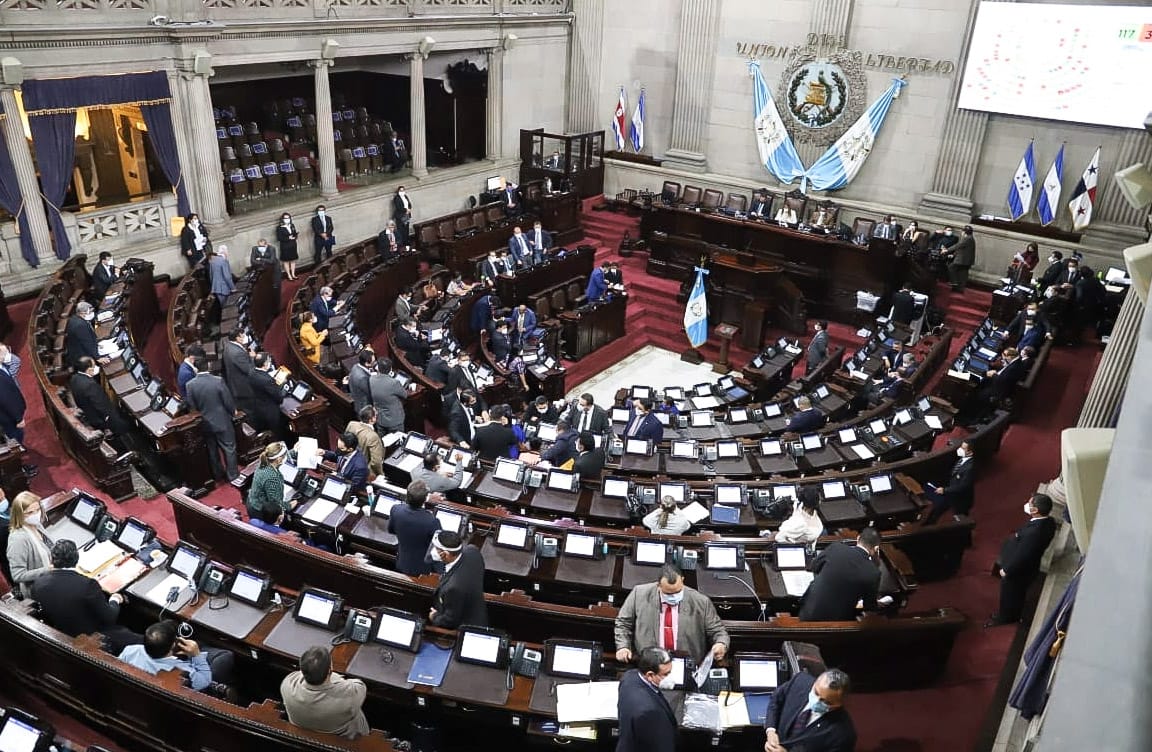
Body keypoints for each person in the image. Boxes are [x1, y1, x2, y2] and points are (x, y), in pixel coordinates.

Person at [32, 539, 141, 653]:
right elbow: (109, 617)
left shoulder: (39, 582)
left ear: (51, 559)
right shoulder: (87, 585)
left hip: (64, 634)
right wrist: (115, 600)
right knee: (145, 641)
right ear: (76, 559)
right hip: (96, 638)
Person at [615, 564, 729, 664]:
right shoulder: (639, 594)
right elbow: (623, 623)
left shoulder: (701, 601)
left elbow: (718, 631)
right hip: (650, 665)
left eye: (678, 592)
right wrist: (623, 647)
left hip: (687, 665)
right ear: (658, 586)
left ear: (682, 580)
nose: (674, 596)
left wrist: (721, 644)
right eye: (668, 593)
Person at [987, 493, 1058, 627]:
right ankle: (1012, 614)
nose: (1027, 505)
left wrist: (1007, 570)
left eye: (1030, 504)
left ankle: (1005, 618)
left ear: (1035, 510)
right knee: (1017, 594)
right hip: (1027, 567)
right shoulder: (1048, 522)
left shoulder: (1034, 533)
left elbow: (1024, 554)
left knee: (1010, 595)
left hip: (1018, 571)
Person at [118, 620, 235, 695]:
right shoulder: (185, 673)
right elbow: (205, 682)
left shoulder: (130, 650)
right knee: (224, 656)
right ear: (174, 645)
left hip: (134, 694)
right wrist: (196, 655)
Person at [798, 529, 892, 621]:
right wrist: (875, 563)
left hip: (808, 611)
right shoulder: (873, 572)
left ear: (858, 538)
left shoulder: (836, 548)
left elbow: (814, 566)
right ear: (876, 549)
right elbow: (869, 606)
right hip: (837, 622)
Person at [281, 646, 370, 740]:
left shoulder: (288, 683)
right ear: (329, 670)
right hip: (343, 740)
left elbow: (298, 675)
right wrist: (336, 678)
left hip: (302, 734)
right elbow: (360, 685)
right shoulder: (349, 695)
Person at [763, 668, 857, 752]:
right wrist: (771, 731)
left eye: (825, 701)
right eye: (816, 692)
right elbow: (776, 699)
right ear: (816, 682)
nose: (816, 700)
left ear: (839, 704)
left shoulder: (843, 735)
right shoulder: (800, 681)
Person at [184, 356, 239, 482]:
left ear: (196, 369)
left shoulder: (190, 385)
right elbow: (227, 400)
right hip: (222, 421)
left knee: (212, 450)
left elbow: (192, 407)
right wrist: (233, 411)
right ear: (208, 366)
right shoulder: (218, 381)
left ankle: (218, 475)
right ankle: (233, 476)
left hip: (205, 423)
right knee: (229, 448)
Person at [616, 647, 678, 752]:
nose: (671, 678)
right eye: (666, 674)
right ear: (650, 675)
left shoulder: (629, 677)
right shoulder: (649, 711)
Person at [429, 530, 488, 628]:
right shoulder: (473, 551)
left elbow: (450, 621)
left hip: (467, 626)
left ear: (445, 554)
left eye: (436, 549)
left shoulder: (453, 587)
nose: (433, 551)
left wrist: (434, 617)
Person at [389, 480, 442, 576]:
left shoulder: (396, 509)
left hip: (402, 562)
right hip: (423, 570)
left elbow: (391, 530)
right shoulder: (432, 521)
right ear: (426, 499)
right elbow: (439, 545)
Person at [6, 491, 52, 597]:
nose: (36, 514)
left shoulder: (37, 525)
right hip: (41, 590)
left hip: (54, 579)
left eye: (38, 510)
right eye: (30, 512)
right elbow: (18, 575)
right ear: (20, 515)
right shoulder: (18, 539)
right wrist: (48, 570)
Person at [70, 356, 131, 437]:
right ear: (89, 370)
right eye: (94, 366)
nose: (96, 368)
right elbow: (103, 408)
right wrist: (117, 423)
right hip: (99, 421)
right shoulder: (90, 386)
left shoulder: (74, 378)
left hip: (88, 413)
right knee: (128, 424)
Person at [923, 440, 976, 524]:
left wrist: (944, 490)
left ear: (970, 452)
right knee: (939, 508)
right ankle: (929, 524)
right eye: (961, 447)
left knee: (962, 518)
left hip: (960, 497)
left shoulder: (970, 468)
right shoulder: (962, 459)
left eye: (963, 448)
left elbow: (963, 486)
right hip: (952, 491)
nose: (960, 449)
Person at [246, 442, 293, 520]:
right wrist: (290, 505)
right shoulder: (272, 477)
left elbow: (284, 457)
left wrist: (295, 450)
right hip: (260, 511)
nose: (286, 457)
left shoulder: (264, 462)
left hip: (252, 501)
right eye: (284, 456)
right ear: (279, 459)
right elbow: (276, 504)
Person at [247, 352, 287, 438]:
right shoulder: (267, 380)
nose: (270, 362)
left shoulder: (251, 372)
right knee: (276, 434)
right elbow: (279, 398)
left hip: (258, 408)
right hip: (270, 413)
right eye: (269, 361)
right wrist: (281, 386)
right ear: (265, 364)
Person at [221, 328, 257, 415]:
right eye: (243, 336)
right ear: (237, 338)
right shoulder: (237, 353)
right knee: (251, 411)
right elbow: (249, 370)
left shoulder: (229, 346)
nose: (245, 337)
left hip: (236, 385)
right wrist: (252, 357)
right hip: (243, 389)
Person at [369, 358, 407, 435]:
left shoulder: (371, 379)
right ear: (390, 369)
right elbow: (405, 395)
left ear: (378, 368)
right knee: (397, 442)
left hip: (380, 419)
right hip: (394, 420)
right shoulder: (394, 382)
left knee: (383, 441)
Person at [0, 342, 27, 446]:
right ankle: (18, 458)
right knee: (15, 437)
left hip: (11, 413)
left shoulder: (3, 366)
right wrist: (18, 418)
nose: (8, 356)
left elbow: (16, 361)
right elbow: (5, 400)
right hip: (9, 417)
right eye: (5, 353)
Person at [347, 406, 385, 477]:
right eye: (376, 415)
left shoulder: (351, 424)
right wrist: (381, 474)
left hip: (350, 464)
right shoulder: (373, 436)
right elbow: (375, 462)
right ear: (372, 419)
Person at [64, 301, 103, 369]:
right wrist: (98, 358)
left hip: (79, 350)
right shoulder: (80, 326)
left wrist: (96, 343)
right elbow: (87, 343)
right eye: (90, 312)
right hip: (81, 357)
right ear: (82, 313)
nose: (91, 314)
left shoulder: (75, 318)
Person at [946, 225, 976, 292]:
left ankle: (954, 282)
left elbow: (957, 246)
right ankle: (959, 288)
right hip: (967, 260)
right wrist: (953, 255)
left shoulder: (967, 238)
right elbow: (961, 249)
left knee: (951, 267)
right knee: (962, 274)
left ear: (964, 232)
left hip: (963, 260)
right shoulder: (970, 238)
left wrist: (947, 250)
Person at [207, 245, 235, 311]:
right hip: (224, 287)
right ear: (225, 252)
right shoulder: (223, 261)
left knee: (223, 307)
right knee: (227, 307)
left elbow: (211, 275)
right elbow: (227, 277)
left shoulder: (213, 261)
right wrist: (233, 288)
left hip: (216, 288)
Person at [276, 212, 300, 281]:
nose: (287, 219)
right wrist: (288, 238)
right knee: (286, 261)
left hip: (293, 245)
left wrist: (295, 236)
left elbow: (294, 233)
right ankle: (288, 275)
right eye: (285, 218)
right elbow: (279, 238)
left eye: (288, 218)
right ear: (282, 219)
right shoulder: (279, 228)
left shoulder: (292, 225)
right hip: (285, 246)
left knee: (293, 260)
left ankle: (293, 274)